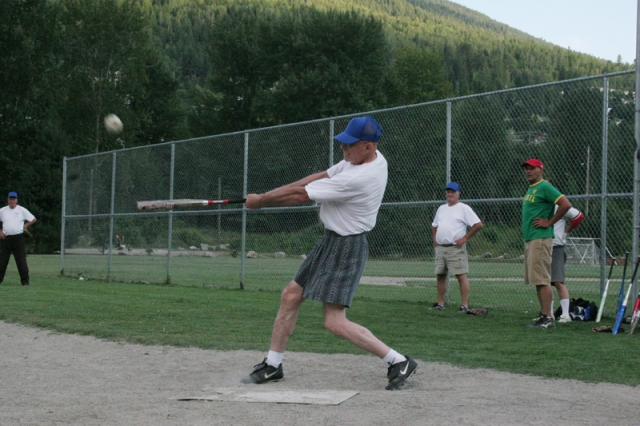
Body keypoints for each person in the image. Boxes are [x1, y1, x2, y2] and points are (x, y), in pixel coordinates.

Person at [243, 116, 418, 391]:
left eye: (350, 145)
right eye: (343, 143)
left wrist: (262, 201)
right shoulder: (363, 159)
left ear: (369, 147)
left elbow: (301, 196)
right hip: (330, 240)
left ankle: (399, 361)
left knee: (334, 322)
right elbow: (320, 177)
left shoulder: (359, 178)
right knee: (290, 295)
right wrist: (265, 195)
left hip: (347, 247)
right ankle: (273, 366)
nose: (344, 149)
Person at [521, 159, 571, 329]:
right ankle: (544, 315)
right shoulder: (532, 188)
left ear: (540, 170)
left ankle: (548, 318)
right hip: (531, 238)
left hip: (541, 238)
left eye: (532, 169)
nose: (528, 171)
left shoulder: (545, 186)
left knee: (543, 279)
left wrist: (549, 222)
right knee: (537, 279)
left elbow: (565, 204)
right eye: (526, 169)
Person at [431, 182, 483, 312]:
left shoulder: (463, 208)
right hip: (441, 248)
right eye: (448, 191)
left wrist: (465, 238)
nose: (450, 194)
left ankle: (464, 305)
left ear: (458, 193)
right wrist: (435, 240)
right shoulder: (441, 208)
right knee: (440, 276)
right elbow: (434, 225)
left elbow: (478, 224)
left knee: (460, 275)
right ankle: (440, 304)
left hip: (455, 248)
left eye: (453, 192)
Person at [550, 201, 584, 322]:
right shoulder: (538, 205)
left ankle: (565, 314)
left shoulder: (559, 206)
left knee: (558, 281)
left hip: (556, 246)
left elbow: (578, 216)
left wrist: (566, 231)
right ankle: (548, 314)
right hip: (542, 245)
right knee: (544, 282)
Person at [0, 192, 37, 286]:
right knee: (2, 261)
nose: (12, 201)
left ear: (16, 200)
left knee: (21, 261)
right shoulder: (2, 210)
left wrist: (25, 226)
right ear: (8, 200)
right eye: (10, 199)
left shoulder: (21, 210)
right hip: (6, 238)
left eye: (14, 199)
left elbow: (33, 219)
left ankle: (25, 282)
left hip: (18, 238)